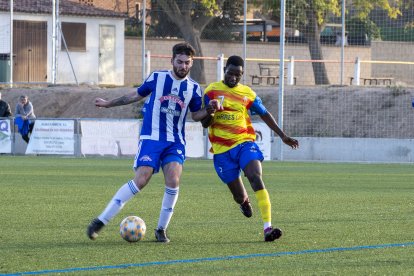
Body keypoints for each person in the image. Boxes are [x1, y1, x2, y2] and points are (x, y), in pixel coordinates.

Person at [87, 42, 220, 243]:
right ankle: (101, 220)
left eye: (187, 63)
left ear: (191, 64)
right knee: (141, 179)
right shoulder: (158, 78)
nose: (183, 66)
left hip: (175, 142)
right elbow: (135, 95)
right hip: (152, 138)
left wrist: (208, 111)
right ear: (172, 60)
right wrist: (108, 104)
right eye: (180, 61)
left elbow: (195, 115)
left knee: (174, 180)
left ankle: (161, 229)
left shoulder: (193, 88)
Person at [201, 55, 299, 242]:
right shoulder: (211, 91)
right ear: (225, 71)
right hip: (221, 150)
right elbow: (205, 124)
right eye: (231, 73)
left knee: (255, 176)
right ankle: (244, 202)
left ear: (242, 75)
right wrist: (210, 111)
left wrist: (283, 136)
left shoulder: (247, 93)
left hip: (244, 142)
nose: (234, 77)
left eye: (238, 75)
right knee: (238, 196)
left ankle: (267, 228)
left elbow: (265, 114)